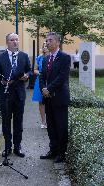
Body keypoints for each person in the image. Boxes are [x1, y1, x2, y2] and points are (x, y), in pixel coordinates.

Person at [0, 33, 31, 158]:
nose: (15, 42)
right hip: (5, 94)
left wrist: (27, 76)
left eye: (16, 40)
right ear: (7, 42)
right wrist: (2, 81)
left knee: (18, 122)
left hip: (19, 93)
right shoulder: (0, 57)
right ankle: (7, 147)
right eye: (12, 40)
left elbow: (29, 70)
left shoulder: (24, 56)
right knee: (6, 122)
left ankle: (17, 147)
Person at [39, 32, 71, 163]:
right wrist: (43, 89)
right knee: (51, 125)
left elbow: (62, 77)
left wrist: (49, 88)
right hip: (48, 98)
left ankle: (62, 153)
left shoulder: (65, 57)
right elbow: (41, 76)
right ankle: (53, 150)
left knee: (61, 126)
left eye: (50, 40)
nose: (47, 42)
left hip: (59, 97)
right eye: (46, 40)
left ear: (58, 42)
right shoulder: (46, 58)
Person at [32, 42, 49, 129]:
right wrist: (40, 73)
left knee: (50, 102)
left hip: (50, 81)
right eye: (44, 46)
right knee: (41, 102)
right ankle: (43, 121)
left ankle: (50, 121)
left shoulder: (53, 57)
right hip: (40, 81)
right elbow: (35, 69)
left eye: (46, 46)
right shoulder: (39, 58)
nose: (45, 47)